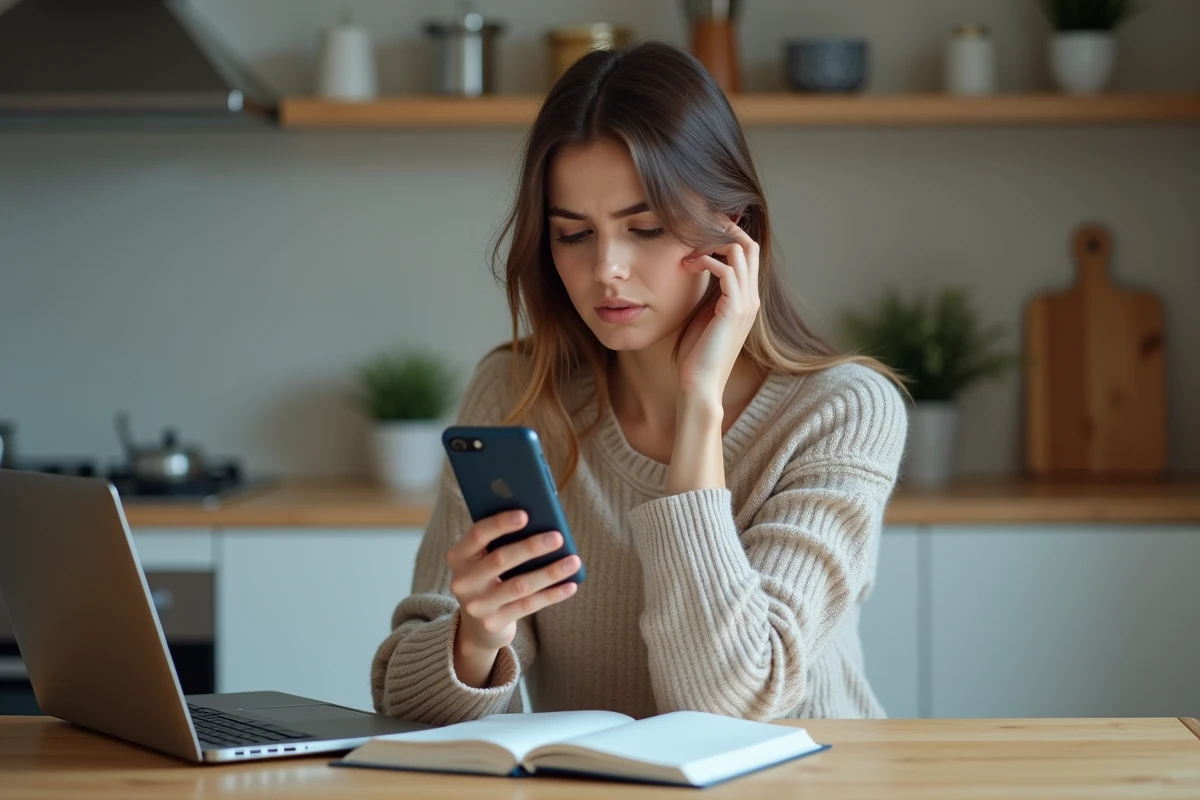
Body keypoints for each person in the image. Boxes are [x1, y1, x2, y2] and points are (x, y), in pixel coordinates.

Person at [371, 40, 908, 725]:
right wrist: (475, 638)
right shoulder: (517, 393)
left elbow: (728, 706)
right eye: (573, 236)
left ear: (732, 230)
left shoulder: (842, 413)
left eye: (645, 228)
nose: (607, 269)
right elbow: (405, 708)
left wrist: (700, 406)